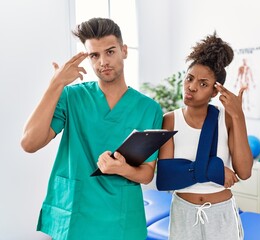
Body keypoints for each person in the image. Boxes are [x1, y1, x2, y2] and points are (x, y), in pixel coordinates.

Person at [20, 17, 163, 240]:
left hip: (121, 218)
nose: (103, 61)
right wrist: (55, 84)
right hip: (77, 213)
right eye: (94, 55)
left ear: (124, 51)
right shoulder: (71, 97)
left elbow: (146, 174)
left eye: (110, 51)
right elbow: (29, 143)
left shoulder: (149, 109)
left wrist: (120, 169)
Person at [157, 33, 253, 240]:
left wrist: (239, 116)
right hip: (184, 213)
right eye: (189, 78)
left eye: (203, 84)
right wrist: (213, 170)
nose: (192, 87)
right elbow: (166, 177)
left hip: (221, 213)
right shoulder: (170, 120)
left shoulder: (226, 119)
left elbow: (244, 172)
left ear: (214, 91)